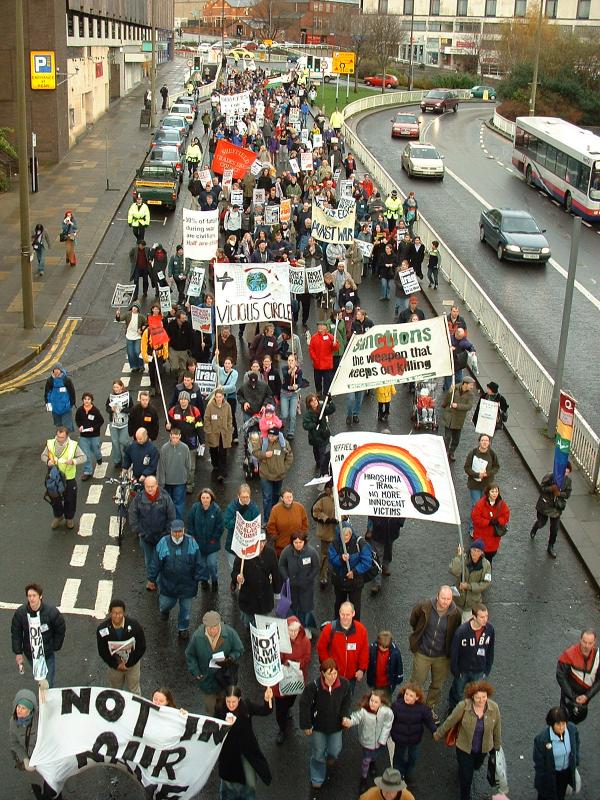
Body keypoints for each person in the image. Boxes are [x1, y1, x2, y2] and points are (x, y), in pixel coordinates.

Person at [434, 681, 502, 800]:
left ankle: (465, 770)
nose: (481, 700)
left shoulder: (494, 708)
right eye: (478, 697)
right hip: (464, 748)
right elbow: (450, 721)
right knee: (466, 777)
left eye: (484, 697)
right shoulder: (463, 706)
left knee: (476, 766)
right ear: (472, 697)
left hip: (483, 748)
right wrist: (439, 733)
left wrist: (497, 746)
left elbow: (497, 728)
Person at [408, 586, 461, 721]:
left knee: (437, 685)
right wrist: (418, 638)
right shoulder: (425, 606)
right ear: (437, 596)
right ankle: (412, 707)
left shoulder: (455, 613)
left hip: (442, 657)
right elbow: (413, 620)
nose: (445, 602)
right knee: (416, 683)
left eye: (448, 599)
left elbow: (456, 632)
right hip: (423, 653)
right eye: (443, 598)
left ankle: (429, 708)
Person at [299, 658, 352, 792]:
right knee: (318, 753)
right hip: (318, 727)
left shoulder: (344, 684)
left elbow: (346, 701)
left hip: (335, 726)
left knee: (335, 750)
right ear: (322, 673)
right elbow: (304, 704)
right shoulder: (313, 687)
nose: (333, 677)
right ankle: (317, 777)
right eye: (329, 673)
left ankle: (328, 754)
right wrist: (306, 724)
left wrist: (345, 715)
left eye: (335, 673)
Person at [215, 685, 273, 800]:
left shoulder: (246, 706)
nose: (231, 705)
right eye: (228, 701)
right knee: (230, 785)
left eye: (234, 701)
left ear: (239, 699)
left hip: (246, 753)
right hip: (229, 755)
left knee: (249, 785)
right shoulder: (220, 710)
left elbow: (265, 711)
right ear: (225, 699)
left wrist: (267, 700)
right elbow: (212, 730)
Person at [149, 519, 203, 640]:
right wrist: (151, 578)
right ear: (171, 531)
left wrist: (198, 577)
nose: (178, 534)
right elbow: (156, 562)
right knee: (165, 604)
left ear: (183, 531)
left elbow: (198, 561)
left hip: (187, 586)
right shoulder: (163, 542)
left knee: (186, 611)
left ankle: (183, 628)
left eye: (180, 531)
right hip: (169, 585)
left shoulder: (191, 542)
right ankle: (165, 611)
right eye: (175, 532)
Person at [185, 609, 245, 715]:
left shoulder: (230, 634)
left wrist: (230, 657)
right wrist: (196, 672)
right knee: (211, 709)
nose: (213, 630)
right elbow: (190, 655)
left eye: (215, 627)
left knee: (227, 708)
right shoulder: (197, 637)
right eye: (210, 628)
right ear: (205, 626)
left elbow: (239, 649)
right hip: (207, 681)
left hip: (225, 679)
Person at [11, 583, 66, 689]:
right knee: (40, 678)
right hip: (31, 655)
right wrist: (18, 652)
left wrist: (55, 646)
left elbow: (60, 628)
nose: (31, 598)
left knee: (48, 682)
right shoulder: (21, 613)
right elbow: (16, 633)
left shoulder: (51, 612)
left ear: (40, 596)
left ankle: (46, 701)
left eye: (34, 595)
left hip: (47, 654)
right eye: (29, 596)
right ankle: (43, 698)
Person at [128, 475, 176, 591]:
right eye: (147, 487)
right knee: (149, 560)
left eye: (152, 486)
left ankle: (161, 580)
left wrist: (167, 533)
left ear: (157, 485)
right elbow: (132, 514)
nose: (150, 489)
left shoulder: (165, 497)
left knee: (163, 559)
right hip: (146, 537)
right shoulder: (139, 499)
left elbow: (171, 516)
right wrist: (139, 531)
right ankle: (151, 580)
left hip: (162, 536)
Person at [343, 690, 394, 792]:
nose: (372, 704)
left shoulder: (387, 712)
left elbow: (388, 725)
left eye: (376, 702)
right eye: (371, 700)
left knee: (374, 756)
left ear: (382, 703)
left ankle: (373, 763)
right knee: (366, 760)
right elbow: (355, 717)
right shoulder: (364, 711)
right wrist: (349, 722)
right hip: (367, 741)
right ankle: (364, 778)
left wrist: (382, 739)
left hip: (380, 742)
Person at [273, 616, 312, 745]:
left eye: (296, 630)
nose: (294, 633)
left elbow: (307, 657)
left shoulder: (305, 641)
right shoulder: (278, 640)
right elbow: (274, 657)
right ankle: (282, 729)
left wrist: (297, 664)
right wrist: (284, 662)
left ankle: (288, 708)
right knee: (280, 709)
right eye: (291, 630)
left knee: (290, 699)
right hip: (281, 681)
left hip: (296, 678)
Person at [449, 604, 495, 713]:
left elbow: (490, 650)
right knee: (458, 691)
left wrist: (487, 669)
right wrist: (456, 671)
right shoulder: (461, 632)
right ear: (474, 617)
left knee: (475, 693)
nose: (485, 620)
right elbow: (454, 653)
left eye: (486, 616)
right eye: (482, 617)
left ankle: (469, 712)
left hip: (479, 670)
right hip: (462, 670)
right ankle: (453, 709)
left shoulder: (490, 629)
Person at [95, 598, 146, 694]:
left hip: (133, 665)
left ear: (124, 613)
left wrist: (129, 663)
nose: (117, 616)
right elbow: (102, 651)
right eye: (114, 613)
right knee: (115, 691)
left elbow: (141, 646)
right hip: (115, 667)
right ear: (110, 613)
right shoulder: (102, 630)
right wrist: (116, 665)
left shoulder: (135, 626)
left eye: (120, 613)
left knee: (134, 690)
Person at [41, 426, 86, 530]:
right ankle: (58, 516)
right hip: (54, 477)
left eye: (61, 437)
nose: (59, 439)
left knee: (70, 499)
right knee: (54, 499)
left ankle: (69, 518)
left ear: (67, 437)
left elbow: (83, 457)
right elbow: (43, 455)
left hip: (68, 478)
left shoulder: (73, 445)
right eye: (57, 436)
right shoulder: (50, 443)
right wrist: (47, 461)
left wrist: (74, 461)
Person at [390, 683, 436, 784]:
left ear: (417, 697)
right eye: (406, 694)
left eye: (411, 695)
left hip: (415, 740)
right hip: (400, 739)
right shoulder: (397, 706)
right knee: (398, 757)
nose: (407, 697)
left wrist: (435, 731)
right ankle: (398, 774)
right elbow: (389, 720)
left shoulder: (423, 709)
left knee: (413, 757)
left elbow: (429, 721)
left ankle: (408, 773)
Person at [317, 601, 369, 688]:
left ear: (353, 613)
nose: (345, 617)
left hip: (351, 677)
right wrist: (328, 666)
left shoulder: (361, 630)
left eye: (348, 614)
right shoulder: (329, 629)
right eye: (342, 614)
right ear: (339, 613)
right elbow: (321, 647)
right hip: (332, 675)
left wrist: (362, 669)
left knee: (347, 698)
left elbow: (364, 651)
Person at [533, 707, 580, 800]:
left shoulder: (572, 730)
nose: (562, 727)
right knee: (546, 796)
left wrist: (576, 760)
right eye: (558, 724)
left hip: (565, 773)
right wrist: (544, 779)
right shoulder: (542, 739)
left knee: (560, 795)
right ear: (551, 724)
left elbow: (576, 744)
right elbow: (539, 763)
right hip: (549, 776)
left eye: (564, 723)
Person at [328, 525, 373, 621]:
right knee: (339, 605)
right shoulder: (334, 543)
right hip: (339, 581)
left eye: (347, 535)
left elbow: (367, 562)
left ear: (351, 534)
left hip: (355, 582)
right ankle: (338, 625)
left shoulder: (360, 543)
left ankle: (356, 627)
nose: (344, 538)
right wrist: (341, 559)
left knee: (355, 607)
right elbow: (331, 558)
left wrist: (355, 571)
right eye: (342, 536)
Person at [9, 689, 47, 800]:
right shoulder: (13, 722)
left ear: (30, 710)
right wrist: (25, 760)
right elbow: (14, 743)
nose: (19, 711)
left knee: (52, 787)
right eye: (18, 706)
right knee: (37, 787)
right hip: (31, 764)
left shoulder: (41, 718)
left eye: (23, 708)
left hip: (45, 760)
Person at [556, 629, 599, 724]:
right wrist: (573, 696)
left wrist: (587, 696)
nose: (586, 646)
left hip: (585, 696)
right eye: (584, 642)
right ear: (580, 640)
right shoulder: (569, 655)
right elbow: (560, 676)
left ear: (594, 642)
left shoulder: (598, 657)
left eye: (590, 643)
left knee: (576, 718)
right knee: (563, 716)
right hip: (569, 694)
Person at [530, 463, 573, 559]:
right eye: (564, 471)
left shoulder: (568, 481)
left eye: (567, 472)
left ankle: (550, 547)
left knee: (555, 529)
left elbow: (567, 494)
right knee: (541, 523)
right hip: (546, 505)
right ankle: (535, 528)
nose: (565, 474)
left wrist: (559, 494)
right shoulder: (550, 476)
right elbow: (542, 488)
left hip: (556, 507)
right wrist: (552, 488)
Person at [279, 532, 320, 632]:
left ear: (304, 542)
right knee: (292, 608)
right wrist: (286, 578)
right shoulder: (286, 551)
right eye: (295, 542)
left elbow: (316, 567)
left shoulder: (312, 552)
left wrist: (309, 579)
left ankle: (305, 628)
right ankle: (293, 628)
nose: (298, 545)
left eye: (300, 542)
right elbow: (281, 565)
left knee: (305, 609)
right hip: (291, 588)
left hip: (306, 588)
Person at [254, 428, 294, 525]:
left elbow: (289, 456)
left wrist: (283, 469)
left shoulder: (284, 443)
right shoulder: (263, 441)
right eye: (269, 435)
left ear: (277, 436)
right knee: (267, 498)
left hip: (278, 476)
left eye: (273, 436)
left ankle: (274, 516)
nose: (270, 437)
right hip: (265, 475)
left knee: (276, 496)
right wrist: (264, 454)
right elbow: (255, 452)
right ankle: (267, 520)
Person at [187, 487, 224, 591]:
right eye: (203, 497)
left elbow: (220, 526)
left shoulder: (216, 510)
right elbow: (190, 524)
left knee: (212, 564)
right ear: (200, 498)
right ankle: (204, 580)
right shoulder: (195, 508)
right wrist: (192, 537)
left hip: (212, 544)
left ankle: (214, 580)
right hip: (198, 544)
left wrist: (214, 539)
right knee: (202, 565)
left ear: (211, 498)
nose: (205, 500)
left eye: (207, 497)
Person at [449, 540, 492, 622]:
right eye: (473, 550)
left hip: (472, 603)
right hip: (458, 600)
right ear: (470, 549)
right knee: (453, 623)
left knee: (467, 626)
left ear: (482, 553)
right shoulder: (463, 558)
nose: (475, 553)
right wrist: (458, 556)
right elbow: (454, 571)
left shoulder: (486, 565)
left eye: (478, 551)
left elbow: (486, 583)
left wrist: (469, 586)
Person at [224, 483, 260, 571]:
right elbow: (227, 524)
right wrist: (237, 518)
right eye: (243, 497)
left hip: (247, 546)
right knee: (234, 569)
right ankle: (235, 583)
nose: (245, 499)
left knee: (247, 570)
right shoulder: (232, 507)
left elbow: (256, 526)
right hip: (233, 544)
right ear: (238, 495)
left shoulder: (254, 508)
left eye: (247, 497)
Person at [157, 428, 192, 519]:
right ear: (170, 436)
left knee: (179, 505)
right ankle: (169, 523)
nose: (175, 440)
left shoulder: (185, 448)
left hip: (180, 481)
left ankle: (178, 524)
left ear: (180, 436)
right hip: (167, 482)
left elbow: (188, 465)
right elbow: (161, 466)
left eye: (177, 437)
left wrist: (188, 479)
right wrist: (161, 483)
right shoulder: (164, 448)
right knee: (168, 504)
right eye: (173, 437)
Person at [441, 376, 476, 462]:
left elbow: (469, 406)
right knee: (447, 437)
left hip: (459, 419)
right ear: (465, 384)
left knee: (456, 439)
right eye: (471, 385)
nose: (472, 387)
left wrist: (458, 406)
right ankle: (445, 452)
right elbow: (447, 399)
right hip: (449, 417)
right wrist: (450, 392)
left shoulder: (471, 395)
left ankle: (451, 452)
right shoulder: (454, 388)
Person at [471, 485, 510, 563]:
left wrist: (499, 521)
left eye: (496, 491)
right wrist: (488, 522)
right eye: (492, 491)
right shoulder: (480, 504)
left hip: (493, 538)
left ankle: (487, 573)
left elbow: (506, 516)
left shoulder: (502, 504)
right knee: (478, 560)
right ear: (488, 492)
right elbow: (475, 518)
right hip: (481, 536)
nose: (494, 494)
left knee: (489, 558)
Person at [366, 515, 403, 596]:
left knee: (388, 551)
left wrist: (399, 522)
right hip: (378, 532)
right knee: (377, 556)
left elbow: (403, 508)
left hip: (392, 531)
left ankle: (385, 565)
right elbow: (371, 508)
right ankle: (377, 583)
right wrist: (376, 522)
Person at [464, 434, 500, 518]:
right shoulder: (473, 453)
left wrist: (488, 473)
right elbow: (467, 468)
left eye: (487, 440)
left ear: (489, 443)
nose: (485, 442)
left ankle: (482, 525)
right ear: (479, 442)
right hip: (474, 485)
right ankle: (472, 528)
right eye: (483, 440)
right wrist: (477, 474)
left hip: (487, 485)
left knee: (485, 506)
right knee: (476, 506)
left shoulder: (492, 454)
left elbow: (496, 467)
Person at [266, 488, 309, 558]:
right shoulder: (275, 510)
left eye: (291, 497)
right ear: (282, 498)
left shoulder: (300, 507)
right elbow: (271, 526)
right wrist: (276, 537)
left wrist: (302, 535)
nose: (289, 499)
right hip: (281, 547)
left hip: (298, 545)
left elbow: (305, 523)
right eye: (287, 497)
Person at [203, 387, 234, 481]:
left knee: (223, 452)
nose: (219, 398)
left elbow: (229, 418)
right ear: (214, 397)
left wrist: (229, 428)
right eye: (217, 397)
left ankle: (222, 472)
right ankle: (215, 464)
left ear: (223, 397)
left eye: (220, 397)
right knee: (213, 450)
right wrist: (208, 430)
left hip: (224, 433)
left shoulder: (227, 406)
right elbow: (207, 418)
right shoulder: (210, 406)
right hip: (213, 432)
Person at [311, 481, 337, 588]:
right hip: (326, 532)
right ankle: (323, 576)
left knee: (337, 554)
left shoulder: (341, 497)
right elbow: (315, 512)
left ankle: (335, 572)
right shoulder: (322, 499)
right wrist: (327, 519)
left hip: (337, 532)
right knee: (325, 554)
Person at [303, 393, 336, 476]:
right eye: (312, 401)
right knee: (316, 453)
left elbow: (331, 410)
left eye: (315, 400)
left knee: (322, 455)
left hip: (323, 436)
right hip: (314, 438)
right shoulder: (308, 414)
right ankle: (318, 463)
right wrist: (315, 424)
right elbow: (305, 425)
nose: (314, 402)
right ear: (309, 404)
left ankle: (323, 472)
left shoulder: (322, 408)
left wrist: (330, 401)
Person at [366, 630, 404, 701]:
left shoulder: (395, 653)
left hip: (387, 684)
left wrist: (399, 677)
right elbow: (367, 661)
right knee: (375, 699)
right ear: (378, 643)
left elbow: (399, 666)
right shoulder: (372, 649)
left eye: (386, 647)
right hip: (375, 682)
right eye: (382, 646)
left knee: (386, 700)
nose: (383, 649)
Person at [74, 392, 104, 481]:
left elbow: (101, 421)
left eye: (88, 399)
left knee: (96, 448)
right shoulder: (79, 410)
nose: (86, 401)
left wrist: (93, 428)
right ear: (83, 400)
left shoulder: (95, 411)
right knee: (85, 454)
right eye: (85, 399)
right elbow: (77, 420)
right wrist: (80, 426)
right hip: (84, 436)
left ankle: (99, 457)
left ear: (91, 400)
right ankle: (87, 471)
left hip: (94, 435)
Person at [309, 321, 340, 397]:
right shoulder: (314, 337)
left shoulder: (330, 337)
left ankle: (326, 395)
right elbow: (311, 349)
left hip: (327, 366)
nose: (319, 327)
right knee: (317, 381)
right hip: (317, 365)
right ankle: (319, 393)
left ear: (325, 327)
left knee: (327, 381)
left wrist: (335, 344)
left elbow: (335, 348)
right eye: (318, 325)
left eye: (321, 325)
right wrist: (314, 359)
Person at [106, 379, 130, 471]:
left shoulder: (127, 397)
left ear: (121, 387)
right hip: (114, 422)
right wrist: (111, 409)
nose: (115, 389)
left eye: (117, 387)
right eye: (114, 387)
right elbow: (107, 407)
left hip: (124, 422)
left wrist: (122, 409)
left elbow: (131, 409)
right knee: (115, 442)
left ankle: (128, 454)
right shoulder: (111, 397)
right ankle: (117, 460)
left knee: (123, 441)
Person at [44, 364, 76, 430]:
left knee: (67, 426)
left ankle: (66, 438)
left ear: (61, 370)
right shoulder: (50, 381)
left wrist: (71, 404)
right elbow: (47, 393)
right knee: (58, 425)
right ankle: (60, 437)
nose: (56, 371)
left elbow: (72, 392)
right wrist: (48, 406)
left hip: (65, 407)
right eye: (55, 369)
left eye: (58, 369)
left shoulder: (66, 380)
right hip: (55, 408)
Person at [116, 302, 146, 371]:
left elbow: (146, 323)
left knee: (137, 351)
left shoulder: (141, 316)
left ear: (138, 309)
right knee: (130, 353)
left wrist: (142, 329)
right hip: (129, 336)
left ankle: (141, 366)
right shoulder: (127, 314)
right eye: (133, 307)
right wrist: (118, 315)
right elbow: (119, 319)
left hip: (137, 337)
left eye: (136, 307)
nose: (134, 308)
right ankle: (134, 366)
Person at [280, 352, 303, 440]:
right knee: (284, 414)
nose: (290, 362)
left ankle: (291, 431)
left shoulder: (299, 371)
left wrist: (297, 386)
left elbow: (300, 382)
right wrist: (291, 371)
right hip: (284, 394)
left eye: (292, 360)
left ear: (296, 362)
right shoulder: (284, 368)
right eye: (289, 360)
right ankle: (282, 429)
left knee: (293, 414)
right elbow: (285, 376)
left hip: (294, 394)